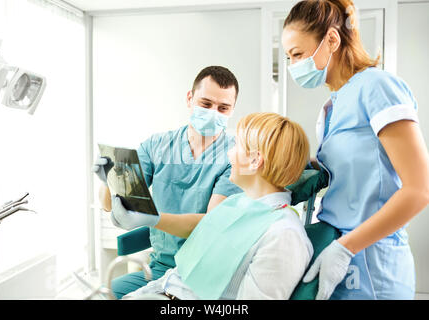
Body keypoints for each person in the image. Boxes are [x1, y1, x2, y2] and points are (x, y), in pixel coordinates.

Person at [281, 0, 429, 300]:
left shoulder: (377, 86)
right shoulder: (332, 105)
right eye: (288, 57)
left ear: (332, 40)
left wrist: (346, 247)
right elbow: (356, 171)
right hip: (338, 252)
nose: (293, 65)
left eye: (297, 54)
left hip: (372, 262)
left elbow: (418, 191)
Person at [121, 112, 313, 300]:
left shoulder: (283, 235)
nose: (229, 153)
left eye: (237, 145)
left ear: (255, 161)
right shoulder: (237, 203)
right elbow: (179, 279)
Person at [93, 66, 243, 299]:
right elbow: (108, 205)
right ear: (189, 98)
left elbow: (211, 225)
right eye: (206, 104)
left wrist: (154, 219)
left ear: (232, 110)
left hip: (202, 274)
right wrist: (108, 180)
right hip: (160, 267)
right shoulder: (157, 145)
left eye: (223, 108)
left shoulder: (234, 157)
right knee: (103, 294)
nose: (214, 112)